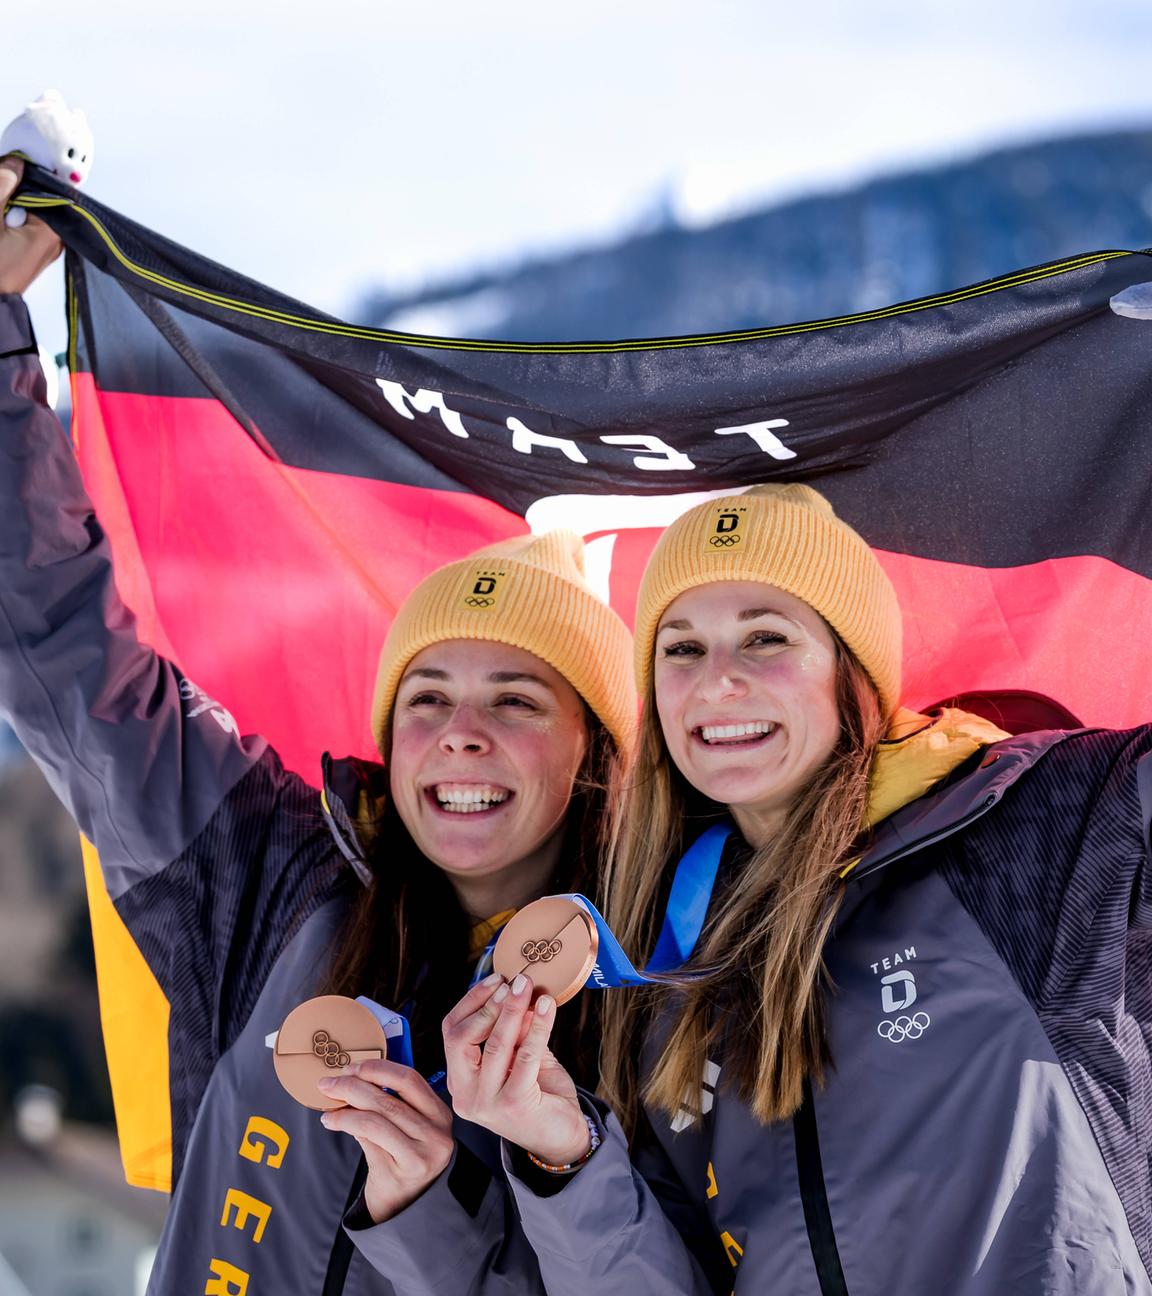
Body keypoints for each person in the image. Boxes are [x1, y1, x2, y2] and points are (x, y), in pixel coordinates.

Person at [0, 154, 635, 1295]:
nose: (461, 734)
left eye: (518, 700)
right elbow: (59, 643)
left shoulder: (653, 992)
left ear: (593, 747)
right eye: (427, 699)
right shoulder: (270, 878)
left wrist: (437, 1217)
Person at [444, 485, 1152, 1295]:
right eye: (681, 649)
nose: (717, 683)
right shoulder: (655, 961)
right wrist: (562, 1152)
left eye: (764, 639)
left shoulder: (1040, 823)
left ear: (851, 670)